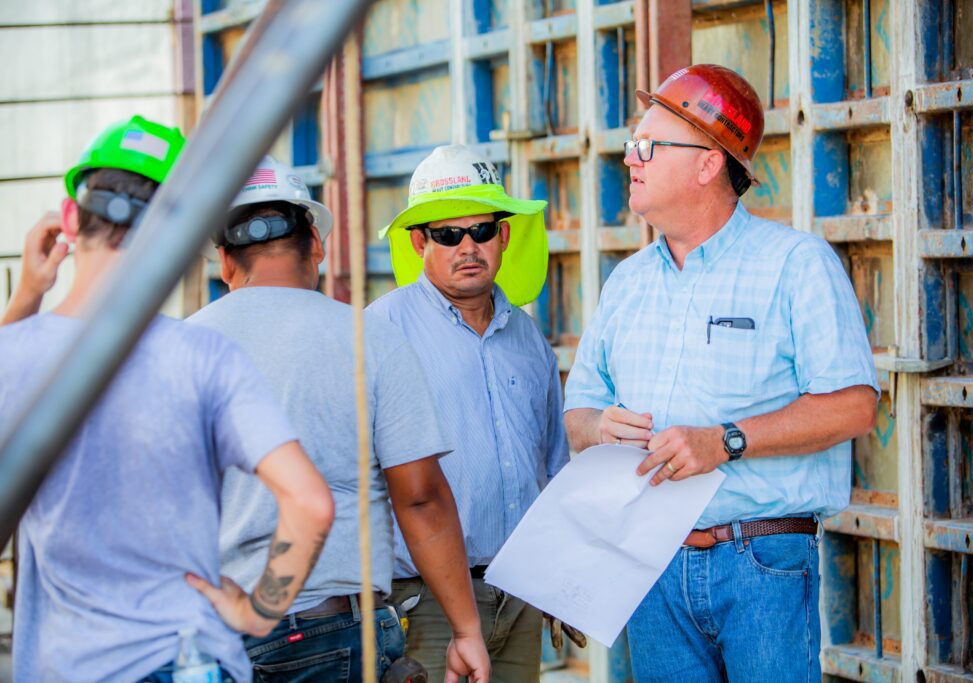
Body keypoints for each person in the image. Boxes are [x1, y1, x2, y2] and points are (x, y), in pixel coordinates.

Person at [562, 64, 879, 682]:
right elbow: (577, 416)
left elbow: (853, 407)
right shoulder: (625, 283)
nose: (631, 159)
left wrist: (724, 441)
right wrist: (599, 427)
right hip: (649, 564)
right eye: (633, 147)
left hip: (760, 562)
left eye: (647, 146)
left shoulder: (795, 264)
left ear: (708, 164)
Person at [0, 116, 335, 682]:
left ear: (66, 222)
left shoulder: (17, 355)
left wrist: (29, 295)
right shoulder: (207, 357)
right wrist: (258, 611)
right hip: (190, 661)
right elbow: (310, 503)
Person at [189, 156, 490, 683]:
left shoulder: (180, 348)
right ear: (318, 244)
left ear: (224, 261)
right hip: (343, 632)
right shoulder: (370, 338)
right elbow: (419, 497)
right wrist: (466, 630)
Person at [369, 144, 573, 683]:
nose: (468, 246)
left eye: (482, 231)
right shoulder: (381, 333)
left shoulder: (528, 338)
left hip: (520, 595)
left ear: (503, 236)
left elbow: (549, 468)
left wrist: (556, 579)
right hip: (424, 606)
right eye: (447, 234)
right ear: (419, 242)